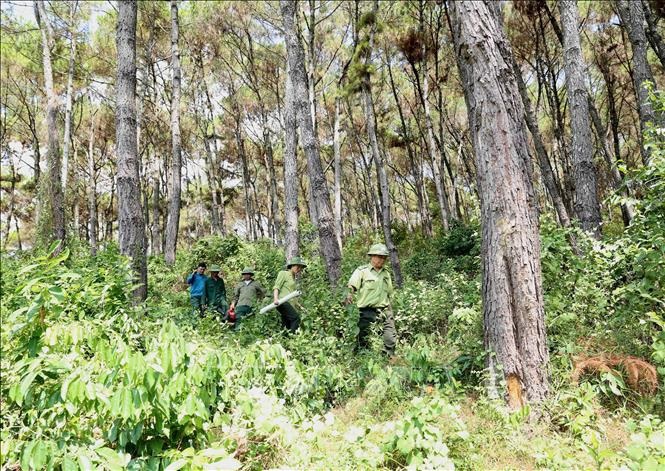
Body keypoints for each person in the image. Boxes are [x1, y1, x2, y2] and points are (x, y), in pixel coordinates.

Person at [346, 243, 396, 357]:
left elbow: (389, 293)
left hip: (384, 309)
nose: (382, 260)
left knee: (390, 335)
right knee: (363, 336)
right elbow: (352, 285)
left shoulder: (386, 273)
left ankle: (390, 357)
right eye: (379, 256)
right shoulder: (362, 271)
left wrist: (390, 310)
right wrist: (349, 295)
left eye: (384, 257)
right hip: (367, 310)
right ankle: (361, 357)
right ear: (372, 256)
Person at [273, 257, 306, 333]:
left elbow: (293, 295)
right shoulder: (283, 273)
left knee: (286, 324)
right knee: (296, 318)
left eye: (301, 268)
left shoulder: (293, 279)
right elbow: (276, 287)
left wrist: (300, 306)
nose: (299, 269)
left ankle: (283, 340)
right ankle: (292, 339)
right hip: (282, 302)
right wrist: (276, 299)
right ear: (292, 266)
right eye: (298, 267)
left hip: (290, 303)